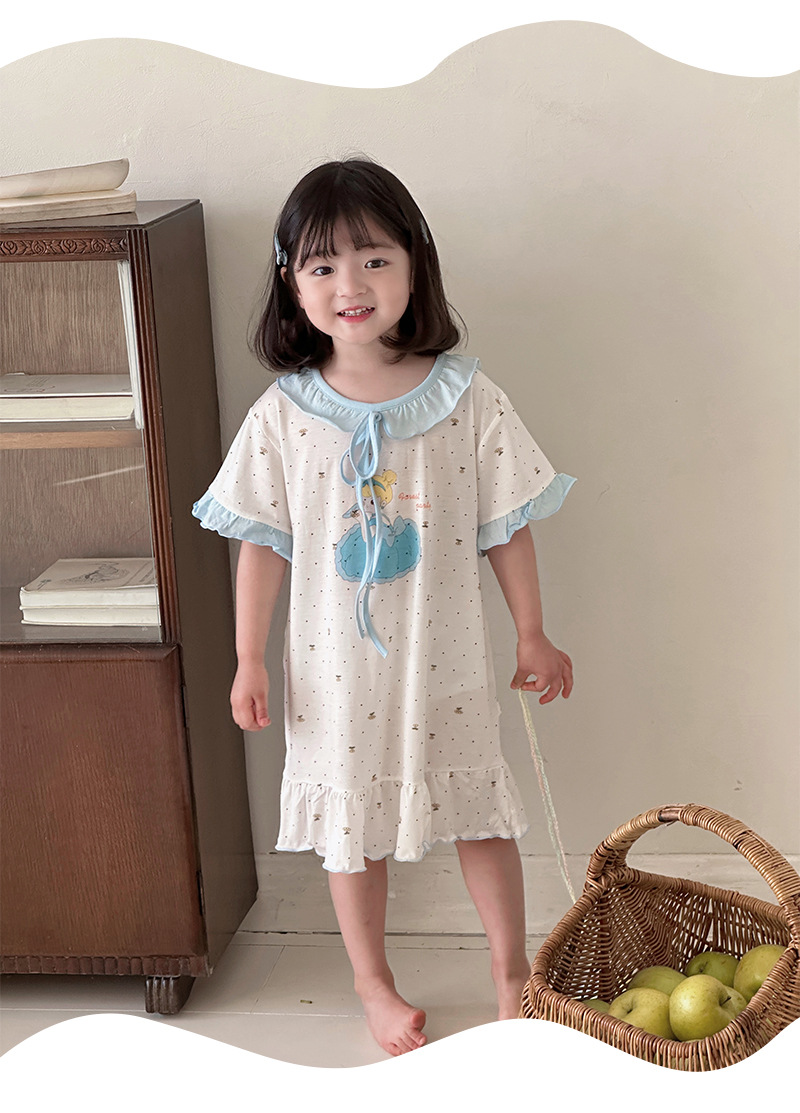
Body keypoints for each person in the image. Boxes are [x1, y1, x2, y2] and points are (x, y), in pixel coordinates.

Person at [192, 158, 576, 1057]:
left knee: (482, 812)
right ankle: (372, 981)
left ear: (414, 265)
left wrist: (532, 631)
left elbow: (506, 524)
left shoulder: (467, 398)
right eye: (323, 265)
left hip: (447, 662)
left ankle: (511, 970)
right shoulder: (282, 415)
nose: (351, 285)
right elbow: (262, 543)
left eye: (373, 259)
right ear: (292, 285)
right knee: (351, 830)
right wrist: (248, 658)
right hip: (333, 672)